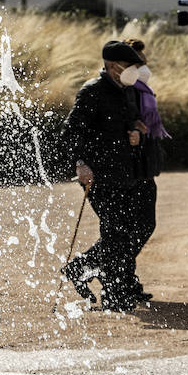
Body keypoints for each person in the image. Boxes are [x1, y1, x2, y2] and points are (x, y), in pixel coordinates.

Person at [56, 40, 152, 312]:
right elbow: (71, 133)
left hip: (125, 173)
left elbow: (133, 121)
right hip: (98, 176)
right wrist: (80, 163)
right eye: (130, 65)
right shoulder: (92, 92)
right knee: (117, 233)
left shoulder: (128, 90)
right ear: (112, 66)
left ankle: (85, 273)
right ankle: (115, 294)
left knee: (122, 234)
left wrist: (136, 132)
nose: (134, 70)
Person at [122, 37, 169, 303]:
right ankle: (89, 267)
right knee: (136, 226)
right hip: (132, 169)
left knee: (138, 226)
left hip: (143, 167)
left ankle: (123, 277)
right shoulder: (129, 90)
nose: (144, 69)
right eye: (139, 63)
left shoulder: (141, 90)